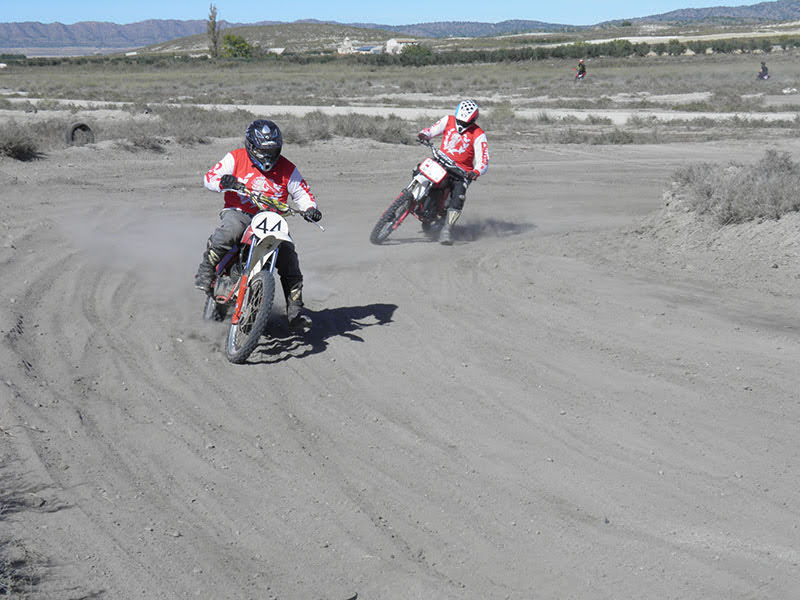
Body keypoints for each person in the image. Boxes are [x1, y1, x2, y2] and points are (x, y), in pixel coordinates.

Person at [194, 119, 322, 328]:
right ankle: (206, 270)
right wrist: (223, 182)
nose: (268, 155)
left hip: (272, 219)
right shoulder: (235, 157)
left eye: (273, 150)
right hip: (239, 211)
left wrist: (310, 209)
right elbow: (209, 177)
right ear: (251, 146)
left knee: (289, 256)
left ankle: (295, 309)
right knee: (231, 231)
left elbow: (302, 193)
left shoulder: (288, 169)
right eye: (264, 150)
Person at [416, 99, 489, 245]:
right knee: (420, 170)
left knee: (459, 197)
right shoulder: (448, 120)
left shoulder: (478, 134)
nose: (461, 125)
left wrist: (476, 171)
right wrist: (424, 134)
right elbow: (432, 130)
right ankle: (410, 198)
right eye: (459, 121)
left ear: (472, 120)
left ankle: (447, 229)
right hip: (441, 161)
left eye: (465, 123)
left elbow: (484, 159)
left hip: (462, 172)